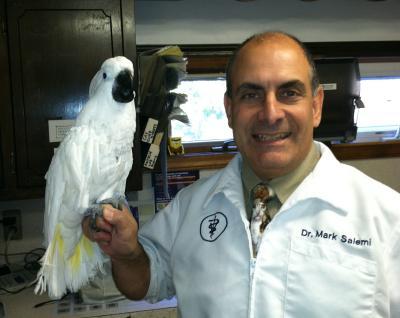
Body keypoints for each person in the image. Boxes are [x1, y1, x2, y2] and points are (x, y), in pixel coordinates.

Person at [82, 31, 400, 317]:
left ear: (316, 106)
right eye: (251, 95)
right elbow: (146, 282)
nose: (270, 113)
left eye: (289, 93)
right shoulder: (189, 208)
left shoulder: (387, 218)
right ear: (230, 110)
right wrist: (127, 255)